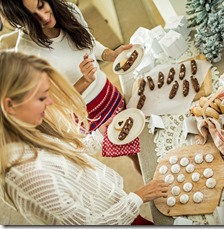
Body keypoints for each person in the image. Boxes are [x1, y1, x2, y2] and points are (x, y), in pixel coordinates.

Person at [0, 51, 169, 225]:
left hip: (117, 210)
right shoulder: (25, 174)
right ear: (10, 105)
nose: (49, 102)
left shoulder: (29, 130)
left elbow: (69, 154)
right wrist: (139, 197)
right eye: (41, 97)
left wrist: (101, 133)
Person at [0, 0, 141, 170]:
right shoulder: (26, 52)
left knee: (140, 139)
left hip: (108, 91)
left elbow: (87, 41)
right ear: (21, 22)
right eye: (33, 17)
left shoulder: (70, 11)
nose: (44, 17)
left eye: (41, 6)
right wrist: (84, 81)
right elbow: (53, 103)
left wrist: (110, 54)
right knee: (134, 152)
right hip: (87, 114)